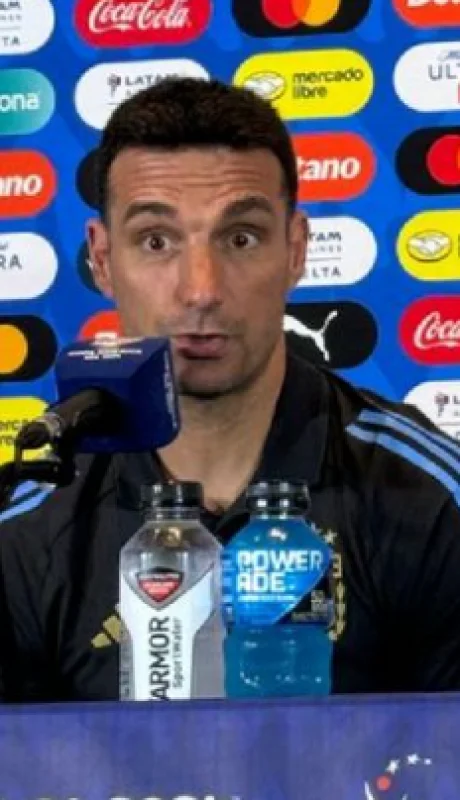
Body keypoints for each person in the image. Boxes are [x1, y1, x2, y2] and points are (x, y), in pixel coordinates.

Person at [0, 77, 460, 702]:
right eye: (156, 241)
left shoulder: (427, 500)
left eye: (240, 237)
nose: (201, 289)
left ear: (296, 249)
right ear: (103, 261)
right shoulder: (29, 527)